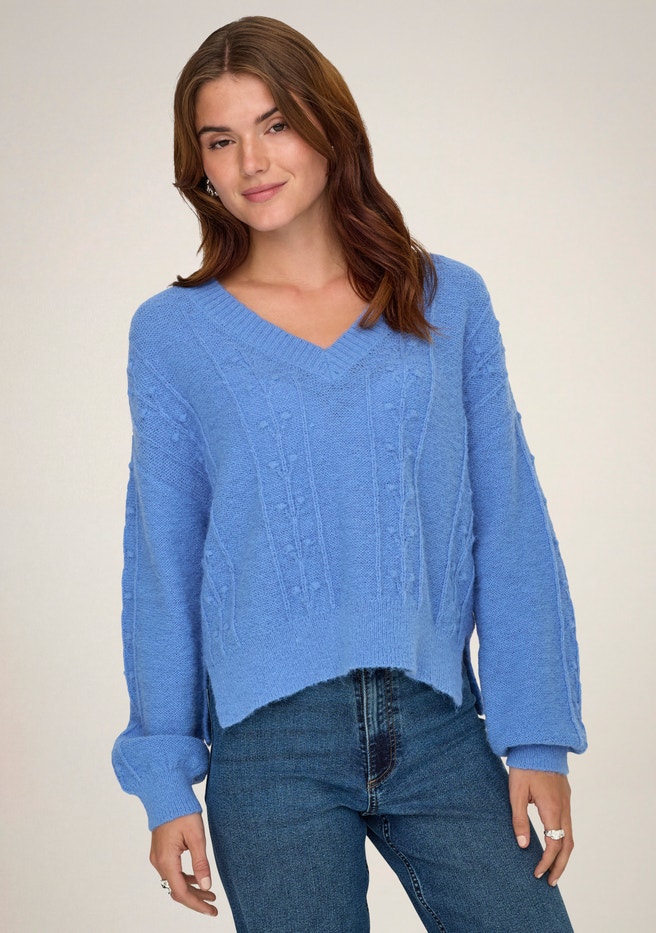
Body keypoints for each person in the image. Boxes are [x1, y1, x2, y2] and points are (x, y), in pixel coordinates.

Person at [112, 15, 587, 932]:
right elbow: (162, 563)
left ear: (330, 128)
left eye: (276, 124)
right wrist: (166, 777)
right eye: (221, 139)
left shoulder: (446, 299)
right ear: (198, 164)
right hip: (268, 744)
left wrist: (537, 734)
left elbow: (510, 520)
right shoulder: (172, 333)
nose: (252, 160)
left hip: (440, 720)